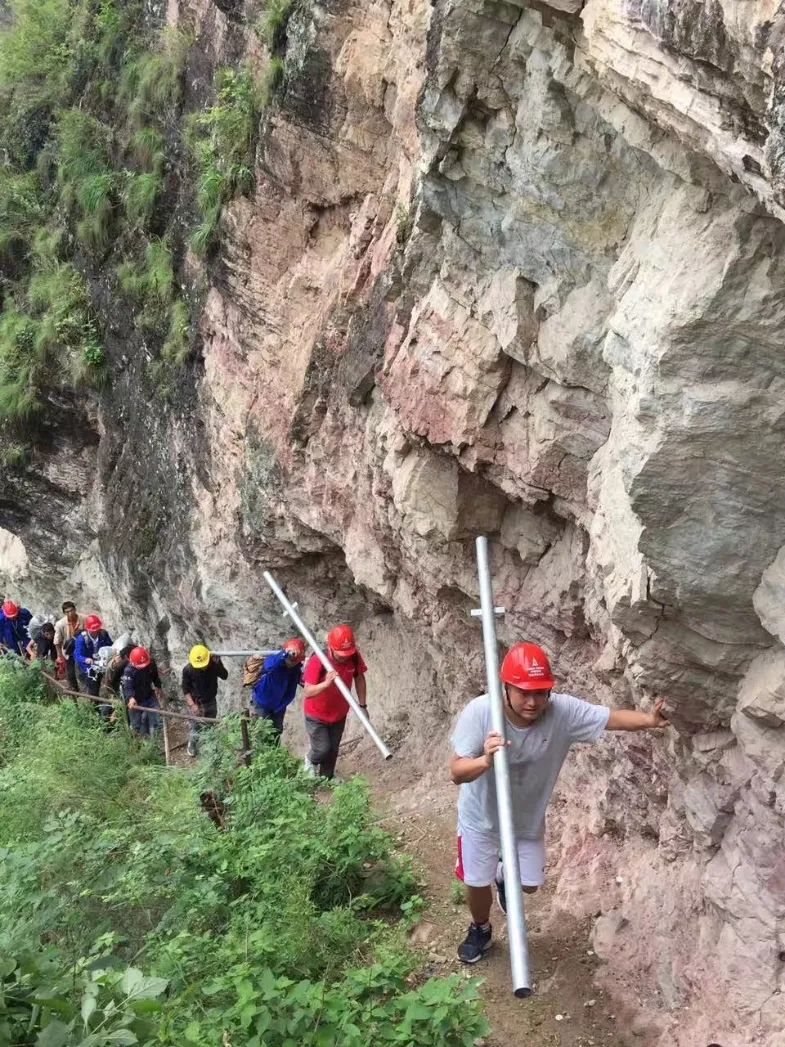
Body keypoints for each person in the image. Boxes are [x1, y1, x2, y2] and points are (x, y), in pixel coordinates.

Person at [450, 641, 671, 965]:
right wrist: (485, 760)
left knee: (528, 887)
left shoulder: (562, 713)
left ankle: (504, 877)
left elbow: (610, 719)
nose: (533, 701)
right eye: (523, 692)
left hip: (525, 819)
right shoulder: (481, 712)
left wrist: (650, 721)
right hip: (480, 817)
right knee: (475, 882)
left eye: (541, 692)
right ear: (506, 687)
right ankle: (480, 928)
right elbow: (456, 772)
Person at [301, 624, 367, 780]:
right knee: (322, 748)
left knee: (333, 750)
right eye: (341, 654)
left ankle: (327, 778)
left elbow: (359, 678)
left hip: (338, 714)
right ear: (331, 647)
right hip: (316, 714)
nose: (344, 657)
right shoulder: (318, 660)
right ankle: (310, 760)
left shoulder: (354, 656)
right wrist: (326, 683)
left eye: (347, 653)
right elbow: (308, 692)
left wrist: (363, 705)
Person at [249, 638, 306, 740]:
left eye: (295, 660)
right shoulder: (275, 661)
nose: (292, 662)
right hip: (262, 703)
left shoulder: (295, 669)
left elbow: (305, 682)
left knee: (275, 734)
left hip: (279, 706)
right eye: (291, 659)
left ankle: (272, 754)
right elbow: (269, 665)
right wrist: (285, 654)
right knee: (260, 735)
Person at [182, 645, 228, 757]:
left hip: (211, 699)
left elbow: (224, 676)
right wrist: (192, 705)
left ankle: (210, 748)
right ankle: (192, 745)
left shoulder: (213, 664)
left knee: (210, 725)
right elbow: (185, 689)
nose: (202, 667)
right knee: (196, 725)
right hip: (196, 702)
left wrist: (218, 664)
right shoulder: (188, 669)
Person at [74, 615, 113, 713]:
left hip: (100, 663)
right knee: (93, 686)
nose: (95, 632)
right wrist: (86, 659)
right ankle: (95, 709)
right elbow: (78, 655)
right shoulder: (82, 639)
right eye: (93, 630)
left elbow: (110, 647)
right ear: (88, 629)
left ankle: (107, 703)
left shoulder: (103, 634)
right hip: (87, 667)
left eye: (97, 629)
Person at [121, 647, 163, 739]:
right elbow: (128, 686)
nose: (143, 667)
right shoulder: (128, 671)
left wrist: (158, 687)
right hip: (136, 699)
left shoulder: (151, 663)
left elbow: (155, 677)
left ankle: (154, 743)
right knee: (136, 725)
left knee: (155, 720)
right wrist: (131, 698)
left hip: (148, 695)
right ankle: (137, 745)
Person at [54, 601, 85, 691]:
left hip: (82, 648)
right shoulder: (60, 624)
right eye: (67, 612)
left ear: (75, 609)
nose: (70, 613)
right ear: (64, 613)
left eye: (71, 610)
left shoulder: (83, 618)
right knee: (70, 671)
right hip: (69, 649)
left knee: (83, 669)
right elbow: (57, 641)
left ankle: (87, 688)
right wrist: (60, 656)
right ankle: (75, 689)